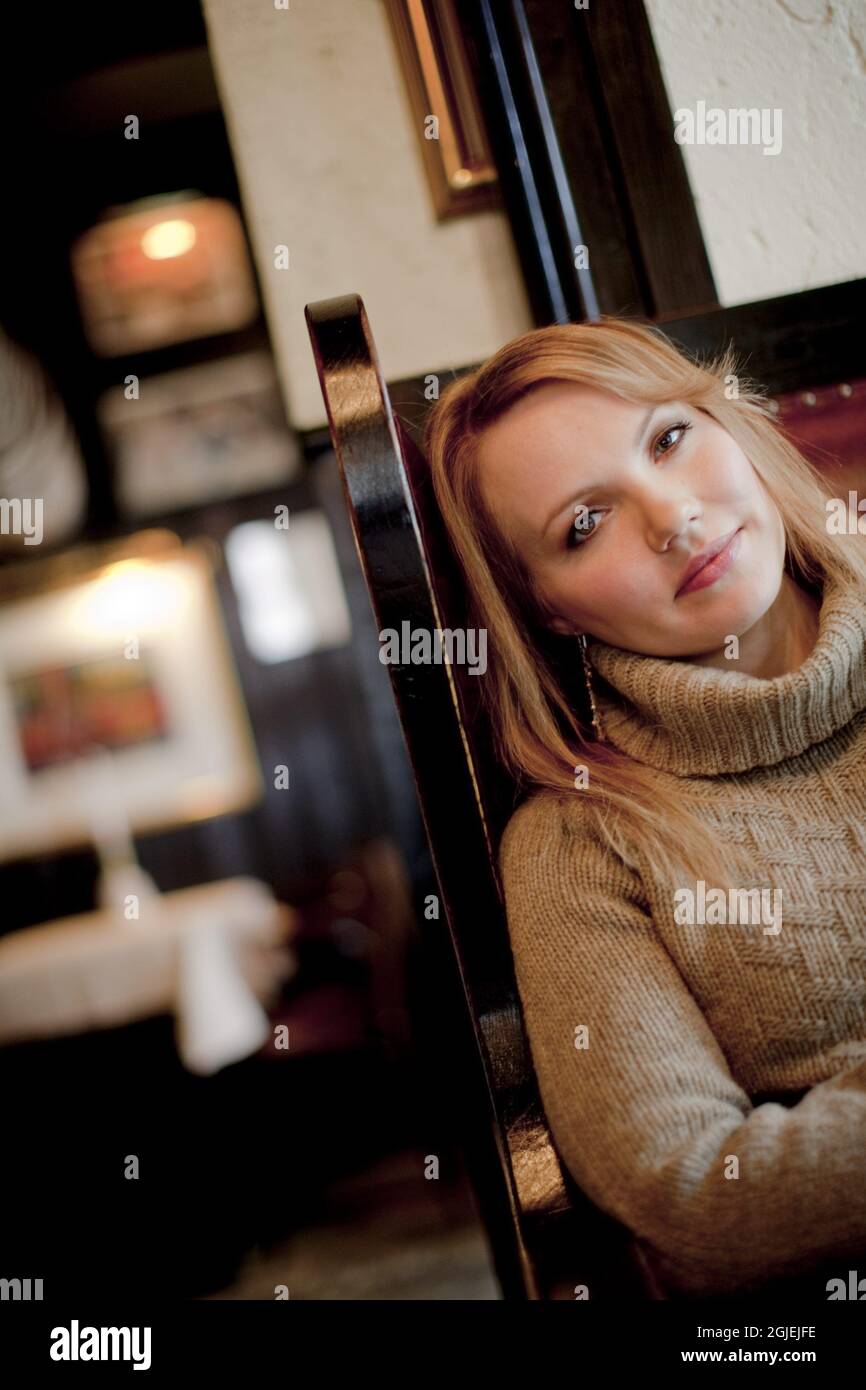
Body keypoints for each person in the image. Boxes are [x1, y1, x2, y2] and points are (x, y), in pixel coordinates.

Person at [421, 316, 866, 1299]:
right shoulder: (580, 843)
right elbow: (697, 1200)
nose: (670, 518)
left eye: (667, 437)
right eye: (582, 524)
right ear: (544, 605)